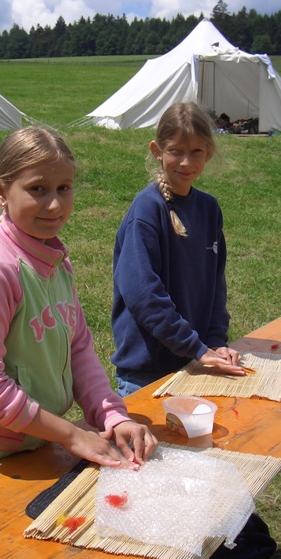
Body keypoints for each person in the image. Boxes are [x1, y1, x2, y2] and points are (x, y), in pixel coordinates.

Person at [0, 126, 157, 486]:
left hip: (36, 438)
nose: (54, 204)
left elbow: (78, 347)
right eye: (37, 189)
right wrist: (71, 435)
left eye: (64, 188)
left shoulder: (54, 258)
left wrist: (113, 416)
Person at [111, 102, 246, 398]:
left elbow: (215, 286)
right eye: (175, 151)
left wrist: (215, 342)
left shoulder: (209, 209)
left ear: (209, 152)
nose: (186, 162)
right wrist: (196, 347)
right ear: (157, 151)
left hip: (195, 361)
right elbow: (142, 294)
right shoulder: (147, 209)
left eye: (196, 151)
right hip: (147, 372)